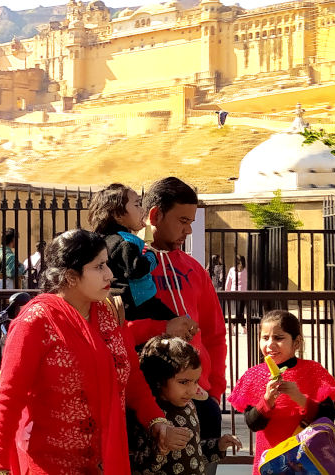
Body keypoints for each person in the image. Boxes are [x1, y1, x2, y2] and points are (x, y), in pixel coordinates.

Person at [0, 229, 191, 475]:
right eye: (99, 266)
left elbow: (132, 379)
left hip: (105, 460)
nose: (110, 274)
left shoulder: (109, 315)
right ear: (71, 276)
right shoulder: (36, 322)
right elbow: (9, 396)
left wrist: (158, 423)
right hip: (48, 463)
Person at [128, 176, 227, 475]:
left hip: (200, 399)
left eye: (192, 220)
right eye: (182, 220)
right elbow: (118, 330)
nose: (189, 229)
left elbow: (215, 333)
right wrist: (161, 327)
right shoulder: (130, 266)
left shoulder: (195, 268)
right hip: (150, 403)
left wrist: (215, 392)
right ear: (155, 215)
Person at [227, 310, 335, 475]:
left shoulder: (313, 370)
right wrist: (267, 400)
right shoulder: (254, 375)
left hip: (308, 461)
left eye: (279, 338)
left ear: (296, 343)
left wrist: (300, 399)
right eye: (265, 338)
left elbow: (329, 416)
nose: (270, 345)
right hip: (270, 461)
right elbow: (253, 424)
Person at [129, 336, 241, 474]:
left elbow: (193, 453)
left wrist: (217, 446)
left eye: (195, 382)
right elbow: (140, 466)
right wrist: (161, 448)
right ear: (159, 380)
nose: (192, 390)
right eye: (183, 382)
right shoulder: (150, 419)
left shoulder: (189, 407)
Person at [88, 183, 176, 321]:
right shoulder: (125, 241)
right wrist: (151, 254)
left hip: (122, 303)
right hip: (140, 305)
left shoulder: (104, 239)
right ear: (118, 215)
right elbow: (137, 269)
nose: (142, 210)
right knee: (177, 325)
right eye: (137, 205)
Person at [224, 255, 247, 332]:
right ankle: (242, 327)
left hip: (234, 292)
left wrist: (227, 291)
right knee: (240, 311)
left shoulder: (232, 270)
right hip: (243, 292)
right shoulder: (245, 270)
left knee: (236, 311)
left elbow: (228, 282)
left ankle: (232, 325)